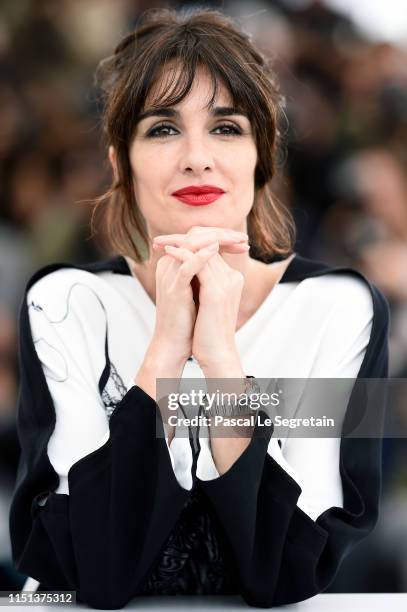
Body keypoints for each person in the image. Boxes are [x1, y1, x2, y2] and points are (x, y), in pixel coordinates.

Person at [9, 7, 389, 610]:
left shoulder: (340, 308)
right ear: (120, 162)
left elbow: (292, 567)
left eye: (226, 128)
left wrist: (220, 360)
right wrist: (164, 351)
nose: (196, 156)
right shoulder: (64, 304)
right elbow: (91, 569)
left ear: (262, 156)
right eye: (161, 129)